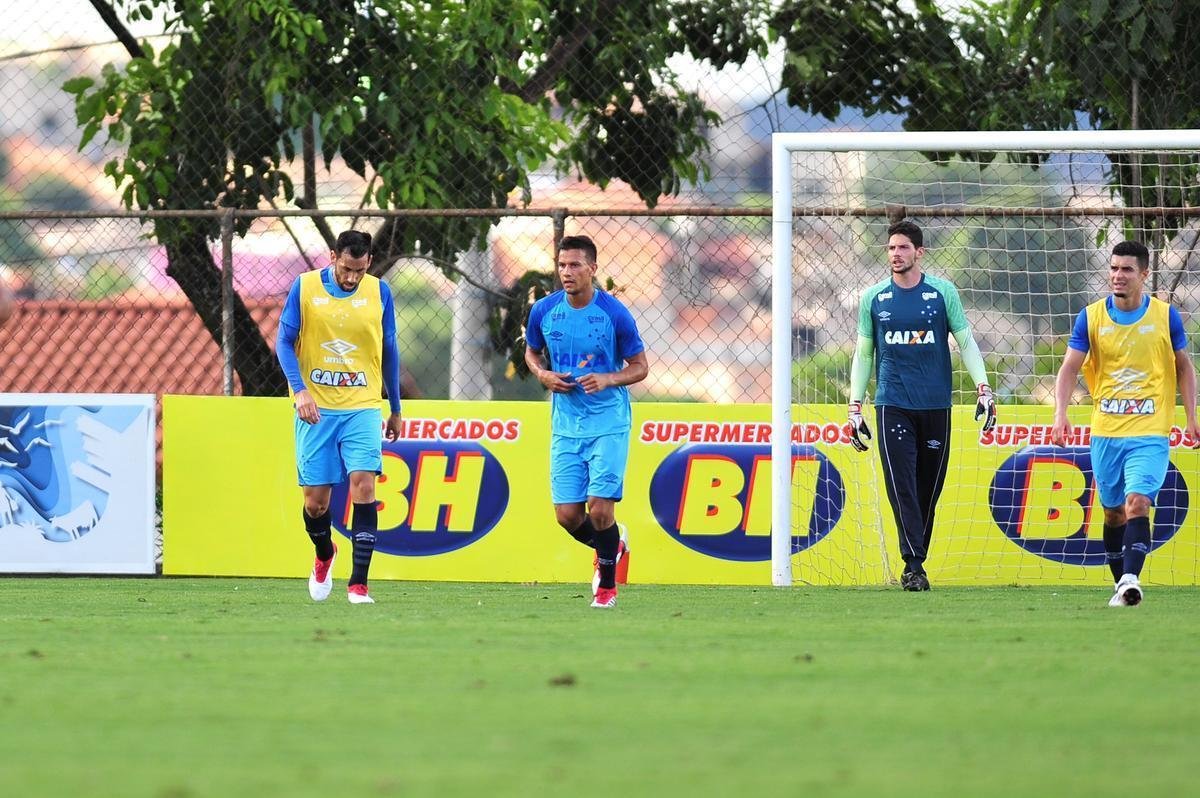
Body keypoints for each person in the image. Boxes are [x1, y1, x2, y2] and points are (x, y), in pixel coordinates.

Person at [847, 220, 996, 591]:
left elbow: (967, 342)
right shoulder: (873, 299)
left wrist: (984, 388)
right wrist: (855, 405)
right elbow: (864, 353)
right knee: (903, 487)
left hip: (935, 406)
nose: (895, 254)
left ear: (919, 252)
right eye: (891, 248)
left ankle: (916, 558)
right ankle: (913, 565)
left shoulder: (942, 293)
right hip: (892, 404)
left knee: (929, 488)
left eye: (902, 248)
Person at [1051, 240, 1200, 607]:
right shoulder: (1091, 316)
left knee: (1137, 504)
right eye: (1114, 268)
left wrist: (1192, 416)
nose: (1118, 275)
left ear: (1144, 275)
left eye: (1127, 269)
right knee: (1113, 511)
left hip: (1150, 431)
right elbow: (1070, 367)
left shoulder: (1166, 316)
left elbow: (1184, 367)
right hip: (1106, 433)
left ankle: (1132, 578)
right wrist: (1061, 413)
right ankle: (1123, 586)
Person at [276, 229, 403, 605]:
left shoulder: (379, 292)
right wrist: (300, 390)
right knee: (316, 503)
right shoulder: (305, 288)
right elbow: (283, 341)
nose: (352, 278)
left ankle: (359, 584)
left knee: (364, 483)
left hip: (362, 405)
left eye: (360, 271)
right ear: (333, 256)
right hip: (315, 408)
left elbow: (390, 348)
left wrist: (395, 406)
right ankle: (324, 553)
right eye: (347, 269)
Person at [524, 234, 648, 608]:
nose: (567, 272)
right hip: (566, 425)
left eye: (575, 265)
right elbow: (531, 351)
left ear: (593, 269)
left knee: (599, 508)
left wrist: (609, 378)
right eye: (562, 265)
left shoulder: (614, 313)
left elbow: (640, 367)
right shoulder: (544, 311)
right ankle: (614, 545)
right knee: (567, 515)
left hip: (608, 422)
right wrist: (542, 374)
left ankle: (607, 588)